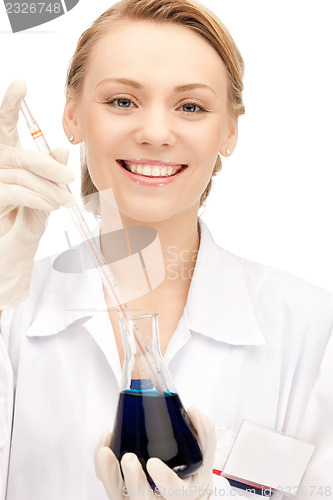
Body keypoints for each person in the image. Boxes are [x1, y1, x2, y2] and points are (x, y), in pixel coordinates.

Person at [0, 0, 332, 498]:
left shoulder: (310, 328)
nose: (155, 133)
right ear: (71, 115)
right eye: (122, 101)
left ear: (230, 131)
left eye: (191, 106)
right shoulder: (11, 312)